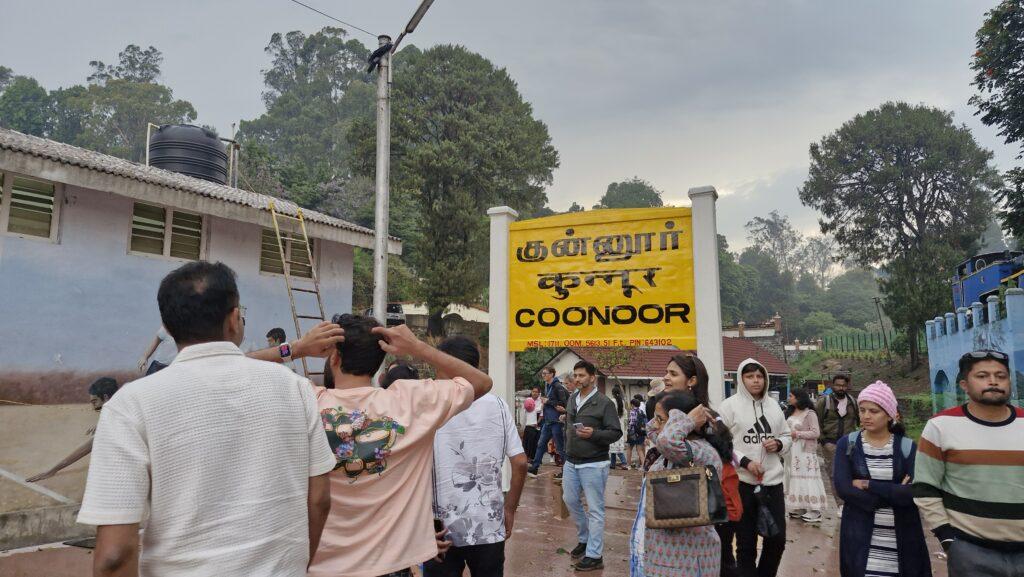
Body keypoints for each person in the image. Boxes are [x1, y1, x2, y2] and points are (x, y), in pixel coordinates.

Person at [79, 261, 337, 577]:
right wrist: (298, 564)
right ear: (234, 320)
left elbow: (114, 555)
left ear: (168, 328)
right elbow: (320, 500)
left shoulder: (130, 405)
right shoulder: (296, 389)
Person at [309, 317, 493, 577]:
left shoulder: (306, 400)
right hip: (388, 564)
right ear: (378, 362)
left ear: (334, 358)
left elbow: (234, 369)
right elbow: (482, 382)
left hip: (318, 563)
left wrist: (295, 349)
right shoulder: (411, 401)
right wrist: (417, 346)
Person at [913, 350, 1024, 576]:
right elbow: (925, 487)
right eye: (982, 376)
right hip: (971, 552)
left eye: (1001, 376)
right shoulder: (941, 426)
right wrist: (947, 539)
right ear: (964, 384)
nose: (993, 381)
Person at [425, 336, 528, 577]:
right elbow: (520, 463)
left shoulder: (429, 403)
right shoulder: (499, 405)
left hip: (437, 527)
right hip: (488, 521)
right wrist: (510, 509)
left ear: (445, 364)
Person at [835, 381, 930, 577]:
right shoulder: (848, 444)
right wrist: (894, 493)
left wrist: (868, 484)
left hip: (901, 535)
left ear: (889, 414)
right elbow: (843, 488)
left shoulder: (906, 447)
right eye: (862, 410)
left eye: (874, 411)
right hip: (859, 534)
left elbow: (915, 491)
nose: (866, 416)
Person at [662, 353, 743, 577]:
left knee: (720, 562)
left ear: (692, 381)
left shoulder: (704, 418)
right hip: (675, 506)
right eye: (666, 372)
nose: (666, 378)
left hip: (707, 507)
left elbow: (720, 457)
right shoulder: (669, 413)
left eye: (673, 374)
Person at [630, 390, 723, 577]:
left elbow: (667, 440)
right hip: (664, 557)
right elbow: (652, 432)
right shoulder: (671, 451)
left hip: (689, 559)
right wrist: (661, 402)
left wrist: (687, 420)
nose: (656, 425)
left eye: (661, 419)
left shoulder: (699, 452)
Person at [719, 358, 792, 577]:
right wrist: (745, 462)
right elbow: (723, 444)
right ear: (741, 379)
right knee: (746, 543)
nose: (756, 381)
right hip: (742, 483)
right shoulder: (728, 406)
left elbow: (787, 436)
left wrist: (779, 444)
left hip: (773, 482)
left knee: (777, 540)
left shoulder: (774, 406)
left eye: (759, 376)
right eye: (750, 376)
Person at [562, 360, 623, 572]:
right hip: (571, 460)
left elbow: (616, 432)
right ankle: (585, 539)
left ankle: (595, 555)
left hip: (594, 463)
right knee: (569, 500)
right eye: (575, 376)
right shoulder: (572, 398)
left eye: (581, 376)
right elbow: (568, 425)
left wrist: (594, 434)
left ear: (592, 377)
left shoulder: (605, 403)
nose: (577, 379)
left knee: (595, 510)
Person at [26, 377, 120, 483]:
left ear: (106, 397)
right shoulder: (122, 408)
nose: (93, 407)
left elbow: (86, 448)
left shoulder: (116, 419)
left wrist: (53, 470)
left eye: (95, 401)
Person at [785, 388, 828, 523]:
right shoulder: (789, 412)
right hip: (793, 450)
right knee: (795, 477)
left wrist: (797, 434)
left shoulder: (810, 414)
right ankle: (801, 506)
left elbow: (816, 433)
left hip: (805, 451)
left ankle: (815, 510)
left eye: (791, 396)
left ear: (798, 398)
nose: (789, 398)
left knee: (809, 477)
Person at [816, 374, 859, 483]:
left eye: (843, 385)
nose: (841, 388)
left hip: (850, 443)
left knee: (850, 471)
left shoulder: (854, 402)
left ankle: (848, 497)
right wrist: (823, 441)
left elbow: (861, 421)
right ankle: (838, 499)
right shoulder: (824, 402)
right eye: (838, 385)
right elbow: (816, 422)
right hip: (830, 443)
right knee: (833, 473)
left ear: (847, 386)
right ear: (832, 386)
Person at [528, 367, 569, 477]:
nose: (543, 375)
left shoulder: (558, 386)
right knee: (541, 444)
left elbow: (563, 403)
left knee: (560, 447)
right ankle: (534, 468)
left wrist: (548, 401)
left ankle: (567, 471)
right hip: (547, 421)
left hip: (556, 421)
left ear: (552, 374)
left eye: (545, 373)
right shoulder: (548, 386)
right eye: (542, 374)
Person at [609, 386, 629, 470]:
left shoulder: (612, 401)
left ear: (612, 393)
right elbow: (624, 413)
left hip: (613, 424)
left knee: (613, 444)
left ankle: (624, 462)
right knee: (617, 445)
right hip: (620, 424)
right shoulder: (622, 401)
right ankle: (612, 464)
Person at [522, 387, 543, 463]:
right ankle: (528, 457)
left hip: (535, 426)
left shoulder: (538, 402)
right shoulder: (530, 405)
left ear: (539, 393)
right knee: (527, 442)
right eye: (533, 391)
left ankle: (532, 457)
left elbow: (541, 414)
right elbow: (539, 409)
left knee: (534, 442)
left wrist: (537, 423)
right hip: (530, 427)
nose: (534, 393)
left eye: (536, 392)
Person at [626, 398, 647, 468]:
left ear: (632, 404)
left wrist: (628, 431)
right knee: (640, 450)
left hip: (633, 433)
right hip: (641, 432)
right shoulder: (641, 411)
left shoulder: (632, 412)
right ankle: (643, 465)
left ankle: (628, 465)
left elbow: (631, 423)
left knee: (629, 448)